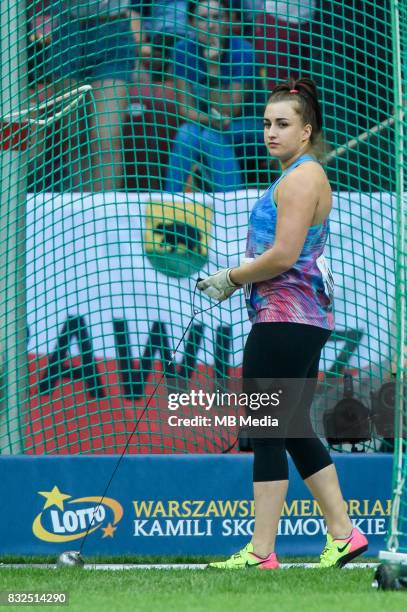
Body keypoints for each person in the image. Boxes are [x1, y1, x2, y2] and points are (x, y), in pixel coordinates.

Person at [198, 77, 369, 568]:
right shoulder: (299, 174)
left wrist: (229, 277)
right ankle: (344, 534)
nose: (271, 132)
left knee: (268, 429)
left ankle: (261, 552)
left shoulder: (299, 178)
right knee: (291, 426)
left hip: (284, 319)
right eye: (267, 123)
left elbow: (283, 255)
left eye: (283, 124)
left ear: (306, 130)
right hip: (297, 319)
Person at [34, 1, 143, 191]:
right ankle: (81, 210)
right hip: (68, 33)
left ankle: (106, 212)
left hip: (112, 30)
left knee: (106, 137)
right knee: (74, 136)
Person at [164, 0, 265, 193]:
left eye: (217, 17)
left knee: (211, 136)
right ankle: (170, 207)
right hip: (208, 125)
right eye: (203, 18)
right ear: (191, 23)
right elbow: (186, 111)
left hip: (249, 128)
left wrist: (213, 68)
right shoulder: (182, 51)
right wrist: (211, 119)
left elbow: (229, 111)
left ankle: (231, 211)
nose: (211, 24)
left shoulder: (242, 50)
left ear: (228, 21)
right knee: (187, 133)